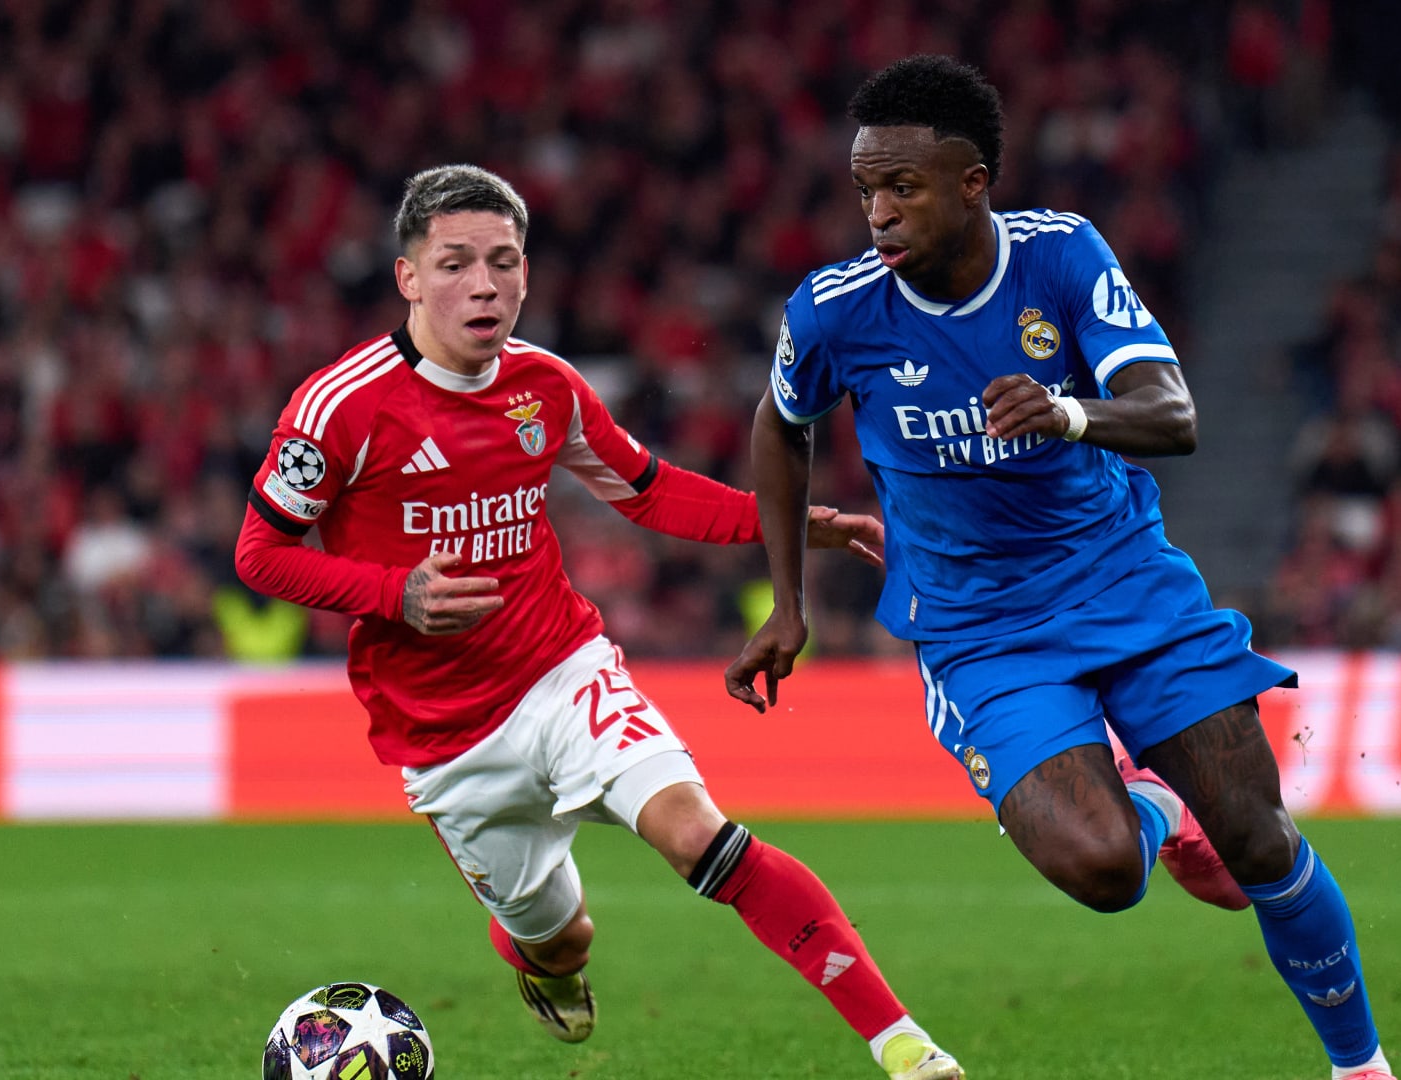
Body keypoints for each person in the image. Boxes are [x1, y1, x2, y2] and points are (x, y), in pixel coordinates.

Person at [727, 55, 1398, 1080]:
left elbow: (1173, 415)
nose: (879, 215)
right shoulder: (835, 310)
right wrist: (788, 602)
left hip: (1126, 584)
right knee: (1104, 871)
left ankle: (1362, 1069)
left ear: (972, 183)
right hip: (982, 631)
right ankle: (1158, 811)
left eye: (902, 188)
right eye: (865, 191)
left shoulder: (1060, 256)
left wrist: (1069, 412)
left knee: (1260, 841)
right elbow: (781, 426)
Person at [237, 164, 962, 1080]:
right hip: (444, 736)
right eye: (455, 264)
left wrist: (791, 521)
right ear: (409, 278)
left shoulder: (546, 386)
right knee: (561, 938)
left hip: (561, 671)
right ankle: (543, 959)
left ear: (526, 273)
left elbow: (648, 491)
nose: (485, 284)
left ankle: (904, 1046)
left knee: (696, 833)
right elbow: (259, 554)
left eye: (504, 261)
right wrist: (396, 594)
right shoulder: (341, 407)